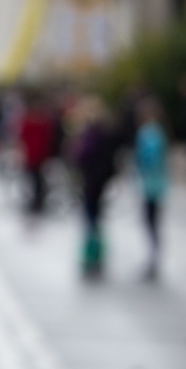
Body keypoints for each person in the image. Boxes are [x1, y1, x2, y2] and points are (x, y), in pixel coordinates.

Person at [69, 96, 119, 280]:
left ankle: (91, 255)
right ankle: (98, 255)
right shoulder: (107, 133)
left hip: (91, 182)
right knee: (97, 220)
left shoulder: (90, 135)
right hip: (101, 182)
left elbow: (81, 157)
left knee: (90, 221)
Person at [134, 97, 169, 281]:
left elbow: (148, 159)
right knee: (153, 222)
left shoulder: (148, 133)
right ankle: (153, 256)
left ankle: (153, 258)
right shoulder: (158, 132)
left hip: (150, 183)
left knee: (150, 221)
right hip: (157, 183)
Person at [17, 93, 56, 218]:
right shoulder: (42, 122)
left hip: (34, 156)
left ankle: (36, 202)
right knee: (37, 181)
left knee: (35, 181)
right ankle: (38, 202)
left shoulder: (30, 122)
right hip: (38, 155)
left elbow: (23, 137)